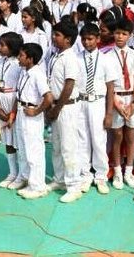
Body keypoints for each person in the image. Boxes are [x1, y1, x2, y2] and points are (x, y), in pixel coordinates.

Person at [76, 23, 118, 194]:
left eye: (90, 39)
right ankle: (85, 175)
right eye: (84, 39)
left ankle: (101, 176)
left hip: (98, 102)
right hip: (81, 101)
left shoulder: (106, 59)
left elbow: (110, 87)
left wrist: (109, 113)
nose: (87, 42)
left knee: (99, 140)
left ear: (98, 39)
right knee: (82, 140)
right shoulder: (76, 58)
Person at [45, 21, 83, 202]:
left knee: (69, 147)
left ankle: (74, 186)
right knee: (57, 146)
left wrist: (57, 108)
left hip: (66, 107)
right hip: (56, 106)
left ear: (68, 39)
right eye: (53, 34)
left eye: (57, 35)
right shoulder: (56, 56)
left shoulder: (71, 58)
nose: (54, 37)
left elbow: (69, 85)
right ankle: (59, 179)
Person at [13, 43, 53, 199]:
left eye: (21, 56)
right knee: (23, 149)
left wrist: (36, 111)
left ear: (30, 59)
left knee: (33, 151)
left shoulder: (37, 74)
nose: (18, 58)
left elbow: (48, 97)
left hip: (32, 114)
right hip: (22, 111)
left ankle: (38, 186)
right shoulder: (25, 72)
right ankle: (27, 179)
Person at [108, 18, 134, 189]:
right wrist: (116, 103)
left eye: (124, 33)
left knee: (131, 136)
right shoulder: (107, 56)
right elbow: (108, 83)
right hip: (116, 97)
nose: (120, 36)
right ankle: (117, 172)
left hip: (132, 98)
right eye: (117, 33)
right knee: (117, 136)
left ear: (130, 35)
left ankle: (129, 172)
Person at [0, 32, 24, 188]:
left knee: (17, 140)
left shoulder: (19, 64)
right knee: (7, 140)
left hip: (13, 100)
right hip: (1, 99)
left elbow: (20, 89)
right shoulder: (0, 62)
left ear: (12, 47)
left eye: (2, 45)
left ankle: (21, 175)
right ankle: (12, 173)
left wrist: (12, 113)